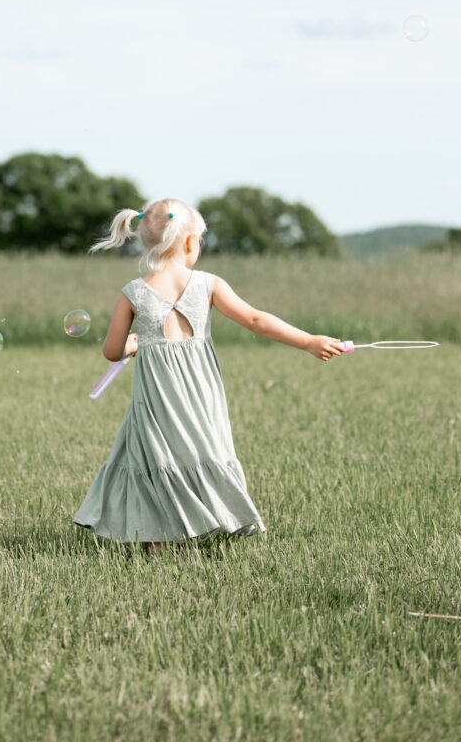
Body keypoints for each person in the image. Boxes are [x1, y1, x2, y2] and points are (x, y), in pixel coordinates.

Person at [73, 198, 345, 556]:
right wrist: (308, 341)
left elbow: (111, 350)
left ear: (146, 242)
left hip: (155, 400)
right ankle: (207, 522)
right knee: (204, 450)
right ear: (190, 242)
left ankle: (158, 540)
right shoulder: (208, 283)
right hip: (201, 395)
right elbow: (256, 320)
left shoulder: (133, 292)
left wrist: (134, 344)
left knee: (155, 457)